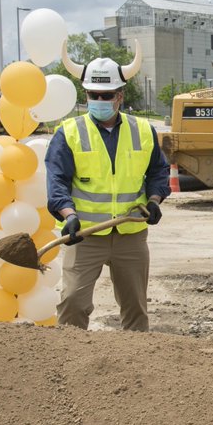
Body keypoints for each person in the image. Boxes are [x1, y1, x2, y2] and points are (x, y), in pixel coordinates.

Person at [46, 44, 170, 331]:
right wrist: (68, 215)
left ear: (120, 96)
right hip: (85, 234)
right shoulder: (69, 132)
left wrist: (153, 201)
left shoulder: (143, 130)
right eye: (93, 95)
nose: (99, 100)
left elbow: (158, 171)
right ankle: (70, 363)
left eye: (106, 95)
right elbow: (57, 180)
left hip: (131, 232)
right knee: (73, 304)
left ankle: (134, 365)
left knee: (136, 308)